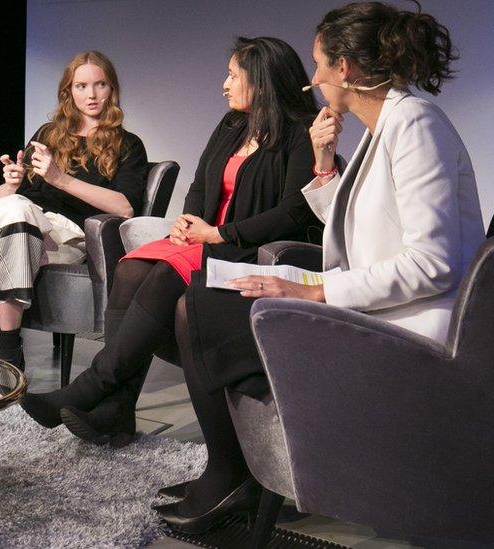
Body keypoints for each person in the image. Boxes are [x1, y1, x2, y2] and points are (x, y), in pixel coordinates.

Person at [155, 2, 485, 534]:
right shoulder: (389, 124)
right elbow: (360, 229)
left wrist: (312, 293)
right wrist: (327, 165)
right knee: (209, 297)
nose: (313, 80)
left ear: (346, 70)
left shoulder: (416, 125)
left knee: (202, 311)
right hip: (378, 309)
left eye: (319, 65)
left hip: (405, 335)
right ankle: (234, 470)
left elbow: (434, 263)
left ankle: (232, 475)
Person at [20, 37, 322, 446]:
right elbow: (200, 183)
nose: (224, 84)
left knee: (164, 275)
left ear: (263, 82)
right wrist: (187, 219)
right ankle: (118, 412)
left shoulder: (300, 133)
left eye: (233, 76)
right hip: (206, 237)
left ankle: (94, 387)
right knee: (131, 267)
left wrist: (219, 232)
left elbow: (293, 212)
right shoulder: (233, 124)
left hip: (247, 246)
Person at [0, 50, 149, 369]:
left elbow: (125, 207)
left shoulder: (128, 144)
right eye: (81, 86)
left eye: (100, 84)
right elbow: (6, 199)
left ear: (112, 88)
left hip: (69, 238)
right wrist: (10, 183)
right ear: (69, 91)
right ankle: (6, 347)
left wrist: (59, 179)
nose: (91, 94)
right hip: (24, 224)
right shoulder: (47, 135)